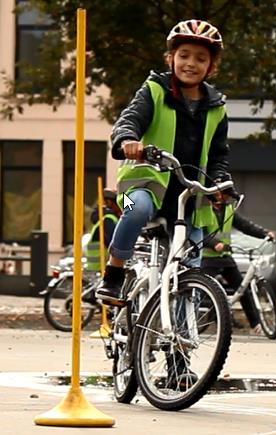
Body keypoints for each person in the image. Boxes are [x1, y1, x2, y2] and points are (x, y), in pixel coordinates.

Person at [96, 19, 231, 306]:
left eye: (200, 58)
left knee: (191, 264)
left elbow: (219, 154)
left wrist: (219, 181)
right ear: (170, 58)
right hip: (141, 185)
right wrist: (127, 140)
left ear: (211, 66)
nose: (190, 63)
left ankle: (181, 338)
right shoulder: (154, 90)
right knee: (136, 210)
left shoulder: (217, 108)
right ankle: (114, 272)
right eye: (183, 55)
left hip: (188, 196)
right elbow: (129, 120)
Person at [201, 191, 276, 334]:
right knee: (202, 292)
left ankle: (256, 324)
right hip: (208, 258)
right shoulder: (203, 210)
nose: (221, 196)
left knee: (243, 290)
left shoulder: (229, 210)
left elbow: (245, 226)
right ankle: (208, 318)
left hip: (225, 257)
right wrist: (213, 243)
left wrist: (264, 233)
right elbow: (199, 233)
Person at [85, 188, 122, 272]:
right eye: (119, 203)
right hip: (101, 268)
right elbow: (115, 244)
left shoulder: (106, 218)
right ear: (109, 202)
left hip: (98, 268)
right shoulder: (108, 220)